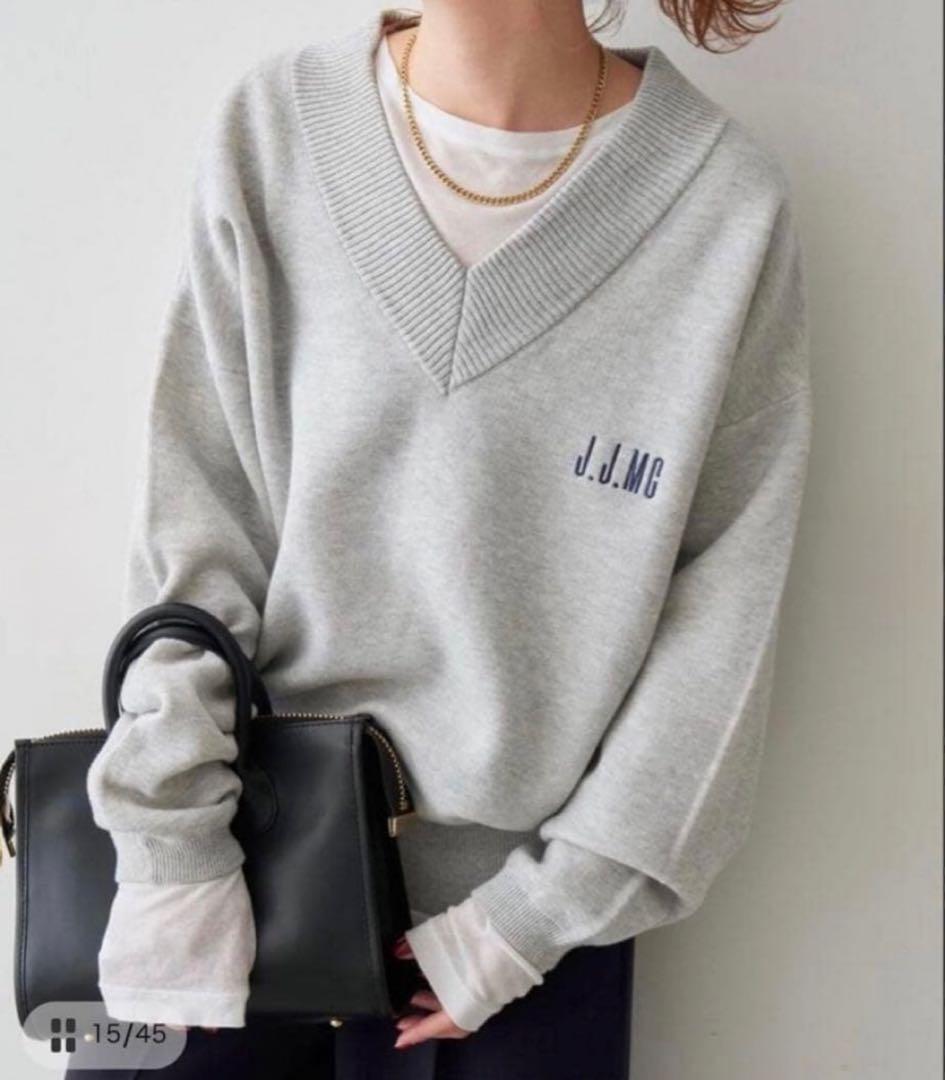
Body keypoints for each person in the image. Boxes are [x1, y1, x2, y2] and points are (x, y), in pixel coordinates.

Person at [68, 1, 813, 1076]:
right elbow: (198, 523)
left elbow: (721, 627)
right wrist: (170, 850)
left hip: (520, 958)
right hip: (211, 895)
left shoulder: (723, 207)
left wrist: (531, 921)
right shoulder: (276, 131)